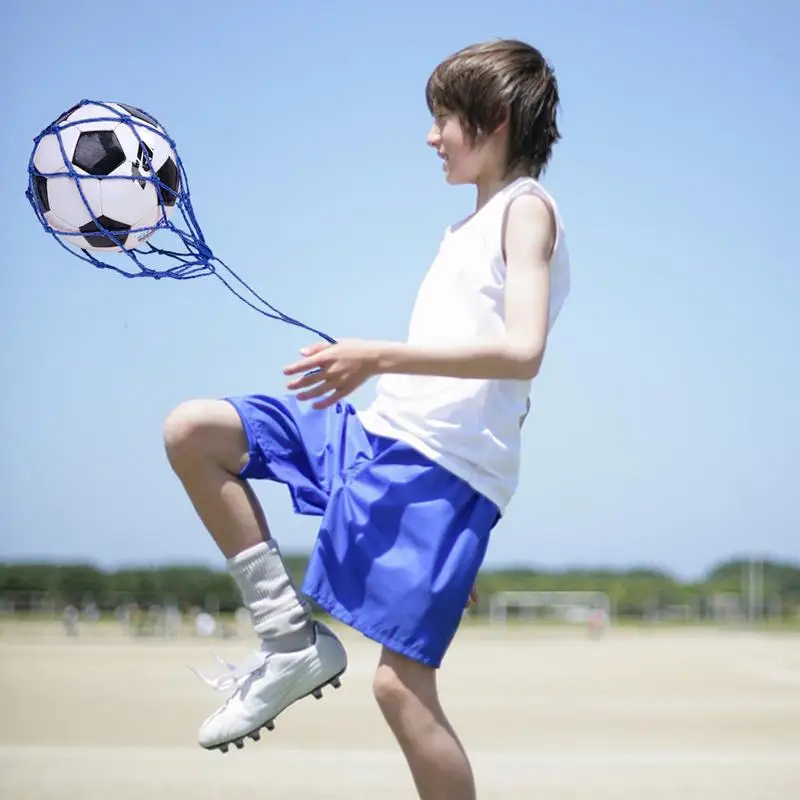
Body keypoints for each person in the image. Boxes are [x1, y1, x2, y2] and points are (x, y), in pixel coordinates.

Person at [163, 37, 570, 800]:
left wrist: (376, 357)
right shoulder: (462, 229)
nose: (430, 136)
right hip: (375, 434)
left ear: (498, 117)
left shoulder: (527, 211)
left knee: (399, 689)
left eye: (445, 116)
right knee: (193, 431)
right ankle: (287, 638)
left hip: (436, 476)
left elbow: (523, 353)